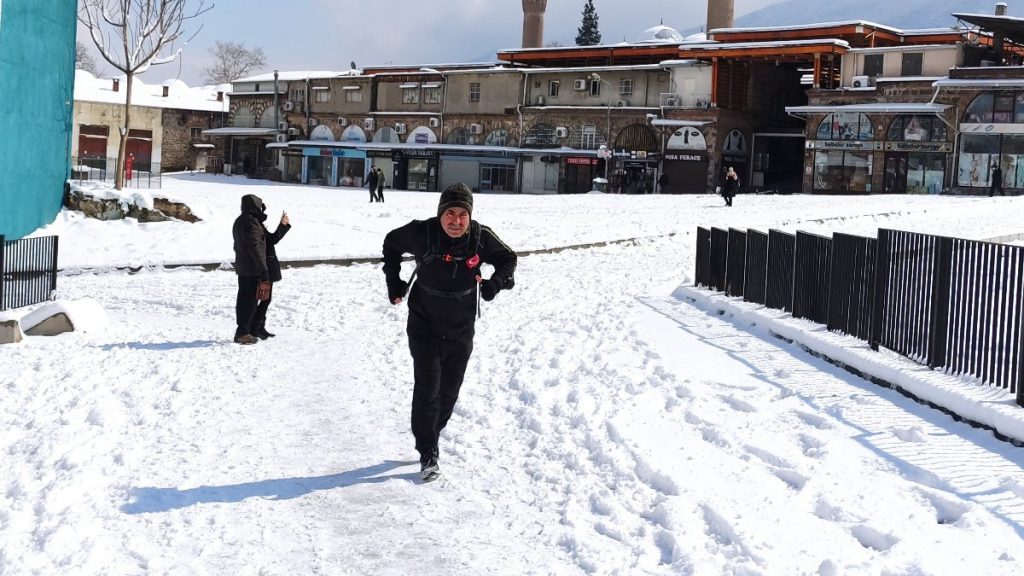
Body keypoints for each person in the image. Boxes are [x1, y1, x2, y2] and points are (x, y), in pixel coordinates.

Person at [382, 183, 517, 481]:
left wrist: (494, 284)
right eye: (450, 213)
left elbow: (509, 258)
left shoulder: (480, 238)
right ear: (440, 213)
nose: (456, 221)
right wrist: (394, 283)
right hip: (424, 323)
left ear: (470, 216)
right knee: (428, 386)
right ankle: (428, 450)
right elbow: (391, 244)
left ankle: (432, 431)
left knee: (449, 391)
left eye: (462, 214)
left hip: (461, 325)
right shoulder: (422, 233)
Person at [232, 194, 291, 344]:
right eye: (259, 206)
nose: (261, 209)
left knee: (252, 299)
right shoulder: (250, 223)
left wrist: (282, 226)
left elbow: (268, 240)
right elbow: (255, 248)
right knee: (249, 301)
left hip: (248, 268)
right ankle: (242, 333)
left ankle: (251, 329)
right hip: (251, 269)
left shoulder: (247, 221)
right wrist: (263, 269)